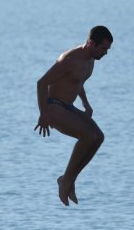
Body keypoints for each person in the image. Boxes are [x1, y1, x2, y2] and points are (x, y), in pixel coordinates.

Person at [35, 25, 113, 206]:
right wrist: (43, 114)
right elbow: (41, 83)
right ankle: (65, 181)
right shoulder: (69, 60)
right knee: (87, 136)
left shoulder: (91, 59)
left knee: (98, 137)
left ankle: (69, 179)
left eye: (107, 50)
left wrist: (85, 103)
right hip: (53, 106)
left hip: (68, 106)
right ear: (91, 43)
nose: (105, 53)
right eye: (103, 49)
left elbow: (78, 81)